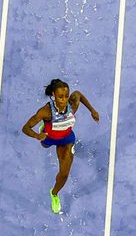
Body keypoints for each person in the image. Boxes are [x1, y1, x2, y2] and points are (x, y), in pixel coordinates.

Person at [22, 79, 99, 213]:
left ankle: (54, 193)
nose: (64, 100)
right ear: (53, 95)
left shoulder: (72, 104)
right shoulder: (45, 112)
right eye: (60, 97)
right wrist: (36, 135)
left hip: (66, 140)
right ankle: (43, 128)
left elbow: (79, 94)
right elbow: (26, 128)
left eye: (66, 96)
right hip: (49, 138)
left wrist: (92, 110)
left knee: (64, 174)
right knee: (44, 146)